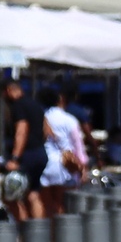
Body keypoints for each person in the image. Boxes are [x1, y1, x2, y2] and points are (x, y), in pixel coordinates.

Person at [2, 79, 50, 221]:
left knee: (12, 196)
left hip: (26, 155)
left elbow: (21, 131)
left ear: (9, 90)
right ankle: (38, 234)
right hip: (40, 153)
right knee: (33, 194)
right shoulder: (35, 105)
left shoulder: (18, 106)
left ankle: (25, 234)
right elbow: (46, 130)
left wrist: (15, 158)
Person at [39, 86, 86, 218]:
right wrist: (82, 165)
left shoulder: (41, 117)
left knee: (45, 203)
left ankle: (49, 234)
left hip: (44, 161)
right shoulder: (69, 119)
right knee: (60, 203)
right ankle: (59, 235)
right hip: (62, 163)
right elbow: (78, 145)